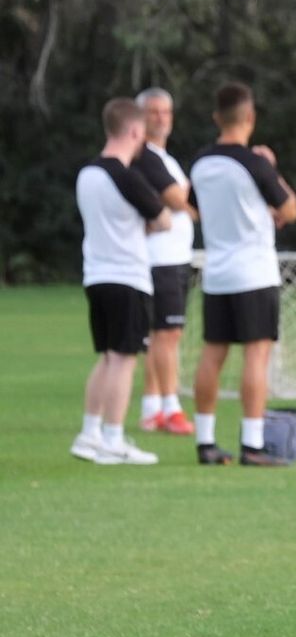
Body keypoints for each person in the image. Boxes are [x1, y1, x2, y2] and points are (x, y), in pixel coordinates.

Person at [190, 82, 296, 467]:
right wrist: (272, 168)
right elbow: (289, 210)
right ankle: (251, 444)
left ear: (217, 118)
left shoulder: (201, 163)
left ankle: (205, 441)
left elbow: (195, 207)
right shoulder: (254, 163)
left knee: (212, 355)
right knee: (256, 355)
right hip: (253, 272)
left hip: (217, 272)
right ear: (250, 117)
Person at [71, 98, 174, 465]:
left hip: (95, 275)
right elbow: (164, 219)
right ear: (134, 131)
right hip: (127, 276)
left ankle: (89, 432)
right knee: (125, 359)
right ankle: (113, 438)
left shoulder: (87, 174)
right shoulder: (126, 176)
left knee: (108, 358)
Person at [132, 87, 199, 435]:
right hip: (159, 260)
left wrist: (186, 203)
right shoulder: (145, 155)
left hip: (176, 258)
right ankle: (171, 407)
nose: (161, 118)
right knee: (166, 335)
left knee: (164, 336)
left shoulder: (165, 158)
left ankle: (152, 408)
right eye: (154, 112)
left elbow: (184, 200)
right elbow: (177, 199)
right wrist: (187, 204)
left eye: (166, 112)